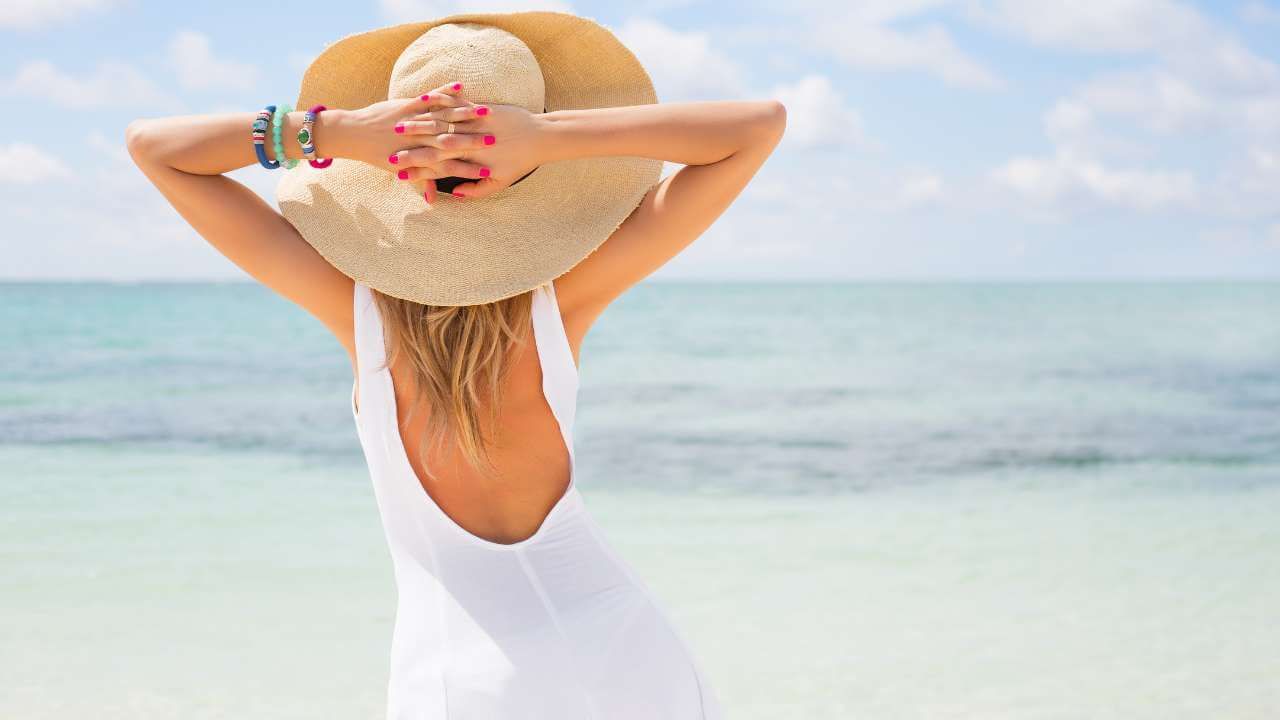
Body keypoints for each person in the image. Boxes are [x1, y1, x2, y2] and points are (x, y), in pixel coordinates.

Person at [126, 11, 785, 719]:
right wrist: (546, 138)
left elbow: (155, 148)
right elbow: (758, 126)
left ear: (388, 160)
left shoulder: (359, 316)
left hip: (456, 681)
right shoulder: (563, 303)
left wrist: (341, 132)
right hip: (625, 655)